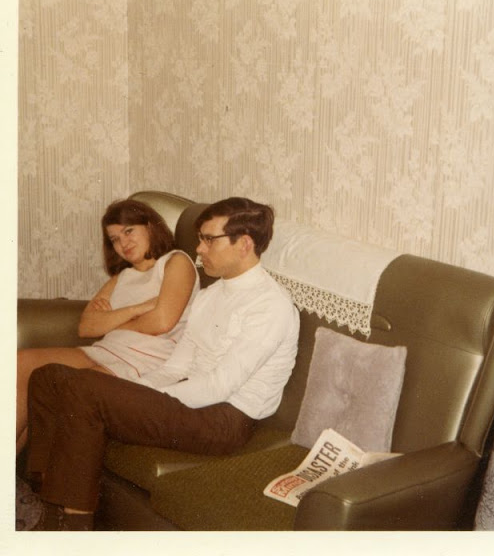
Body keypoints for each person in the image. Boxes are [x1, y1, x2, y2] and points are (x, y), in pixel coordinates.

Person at [25, 197, 300, 531]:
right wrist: (135, 391)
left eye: (208, 239)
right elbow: (176, 365)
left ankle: (74, 526)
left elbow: (218, 386)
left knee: (83, 388)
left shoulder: (270, 306)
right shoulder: (212, 295)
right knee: (48, 376)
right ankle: (46, 496)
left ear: (244, 244)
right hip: (186, 399)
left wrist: (148, 398)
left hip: (223, 420)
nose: (199, 249)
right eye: (200, 239)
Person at [16, 199, 200, 455]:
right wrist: (138, 308)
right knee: (19, 363)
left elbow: (162, 322)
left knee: (63, 389)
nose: (123, 243)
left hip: (145, 359)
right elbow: (87, 327)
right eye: (114, 239)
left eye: (129, 231)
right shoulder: (121, 278)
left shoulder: (175, 261)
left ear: (150, 227)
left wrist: (111, 320)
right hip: (106, 350)